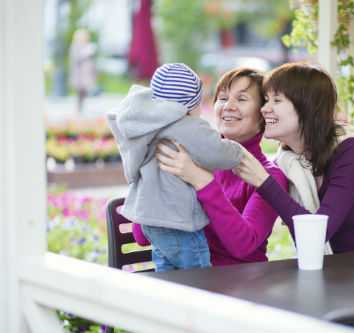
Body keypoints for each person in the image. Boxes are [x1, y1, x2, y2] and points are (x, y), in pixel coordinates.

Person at [232, 62, 354, 331]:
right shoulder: (289, 162)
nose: (265, 109)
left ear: (306, 107)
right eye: (266, 100)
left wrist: (264, 183)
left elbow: (317, 232)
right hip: (338, 289)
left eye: (276, 100)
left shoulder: (351, 150)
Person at [107, 63, 243, 272]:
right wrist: (238, 151)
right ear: (189, 106)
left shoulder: (146, 127)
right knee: (198, 279)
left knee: (167, 275)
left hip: (152, 224)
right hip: (179, 222)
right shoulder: (186, 126)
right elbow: (217, 152)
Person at [153, 67, 288, 266]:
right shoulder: (188, 158)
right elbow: (142, 235)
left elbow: (244, 246)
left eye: (241, 99)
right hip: (189, 281)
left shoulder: (269, 176)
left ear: (262, 114)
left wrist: (202, 181)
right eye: (223, 98)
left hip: (243, 284)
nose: (228, 106)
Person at [69, 28, 97, 113]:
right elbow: (76, 58)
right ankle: (78, 109)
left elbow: (91, 61)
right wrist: (86, 53)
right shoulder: (75, 46)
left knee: (84, 92)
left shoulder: (87, 45)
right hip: (79, 74)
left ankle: (81, 108)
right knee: (79, 92)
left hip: (86, 74)